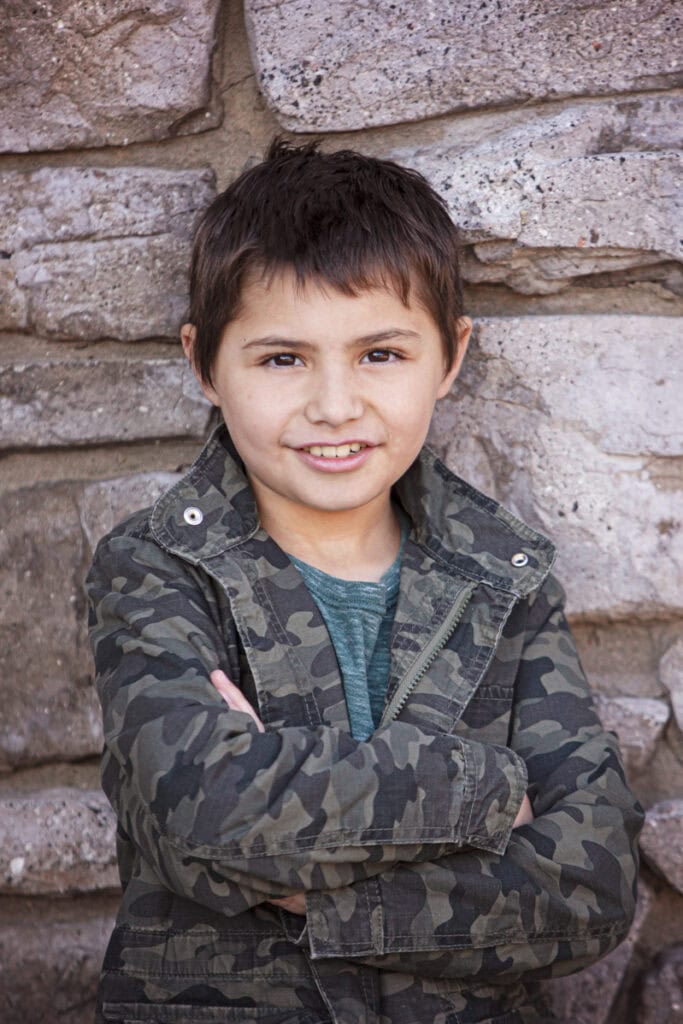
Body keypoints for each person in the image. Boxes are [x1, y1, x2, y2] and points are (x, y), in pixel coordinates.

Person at [86, 139, 644, 1024]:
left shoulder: (506, 577)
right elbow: (204, 816)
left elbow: (593, 885)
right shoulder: (156, 567)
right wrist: (489, 791)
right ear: (204, 366)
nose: (335, 406)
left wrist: (315, 889)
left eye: (380, 354)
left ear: (450, 358)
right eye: (282, 359)